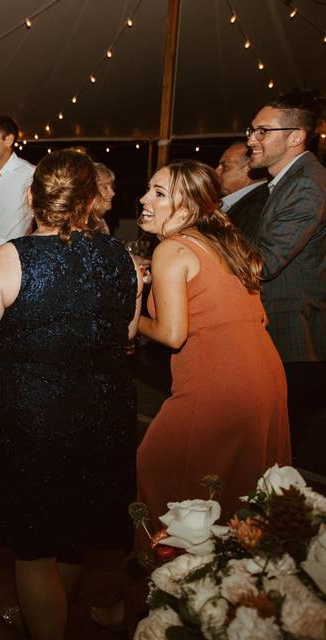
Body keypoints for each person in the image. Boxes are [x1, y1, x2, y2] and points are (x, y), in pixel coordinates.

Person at [0, 149, 141, 640]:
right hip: (103, 414)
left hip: (34, 422)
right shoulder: (119, 255)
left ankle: (44, 624)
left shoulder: (13, 258)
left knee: (33, 547)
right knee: (74, 535)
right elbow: (128, 331)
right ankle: (50, 613)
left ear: (31, 196)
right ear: (93, 201)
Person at [137, 159, 290, 517]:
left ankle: (175, 567)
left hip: (220, 384)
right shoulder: (220, 243)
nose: (144, 198)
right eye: (149, 189)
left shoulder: (171, 249)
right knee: (239, 492)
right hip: (265, 378)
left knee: (159, 470)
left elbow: (172, 335)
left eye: (159, 193)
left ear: (187, 207)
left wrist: (130, 320)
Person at [247, 90, 326, 468]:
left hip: (296, 336)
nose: (251, 139)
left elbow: (266, 261)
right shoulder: (290, 180)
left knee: (275, 462)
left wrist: (199, 246)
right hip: (285, 332)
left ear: (296, 136)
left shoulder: (307, 184)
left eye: (262, 131)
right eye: (252, 130)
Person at [215, 141, 268, 244]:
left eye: (225, 166)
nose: (216, 172)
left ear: (249, 168)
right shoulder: (252, 200)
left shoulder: (259, 205)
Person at [94, 162, 115, 234]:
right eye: (105, 187)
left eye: (111, 187)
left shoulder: (101, 222)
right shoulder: (80, 226)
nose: (113, 193)